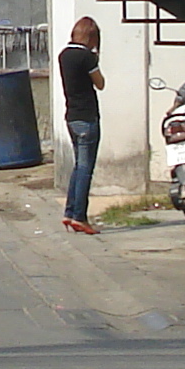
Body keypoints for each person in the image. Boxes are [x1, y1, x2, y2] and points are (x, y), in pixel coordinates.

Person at [57, 16, 106, 234]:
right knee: (86, 168)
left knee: (78, 166)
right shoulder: (86, 57)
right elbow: (100, 83)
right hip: (87, 116)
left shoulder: (64, 55)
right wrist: (96, 60)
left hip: (71, 116)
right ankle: (80, 216)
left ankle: (69, 212)